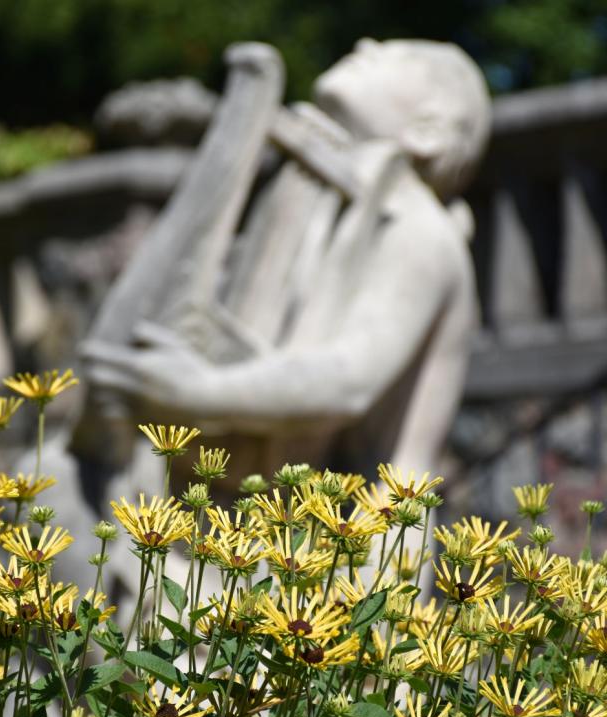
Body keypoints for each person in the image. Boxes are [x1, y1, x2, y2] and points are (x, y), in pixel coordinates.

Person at [45, 38, 492, 600]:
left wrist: (200, 390)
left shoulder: (422, 232)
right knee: (57, 491)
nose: (366, 42)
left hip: (358, 546)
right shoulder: (327, 205)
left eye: (397, 56)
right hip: (273, 519)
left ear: (426, 130)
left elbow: (347, 380)